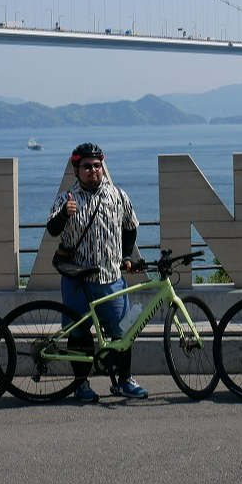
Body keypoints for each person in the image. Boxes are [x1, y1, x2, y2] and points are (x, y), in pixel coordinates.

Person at [46, 142, 145, 402]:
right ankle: (81, 384)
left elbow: (131, 227)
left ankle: (124, 381)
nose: (93, 171)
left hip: (111, 278)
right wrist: (64, 216)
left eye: (97, 166)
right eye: (86, 166)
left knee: (122, 331)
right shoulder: (66, 199)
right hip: (77, 280)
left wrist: (126, 256)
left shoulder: (117, 195)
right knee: (79, 334)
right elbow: (53, 230)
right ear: (75, 168)